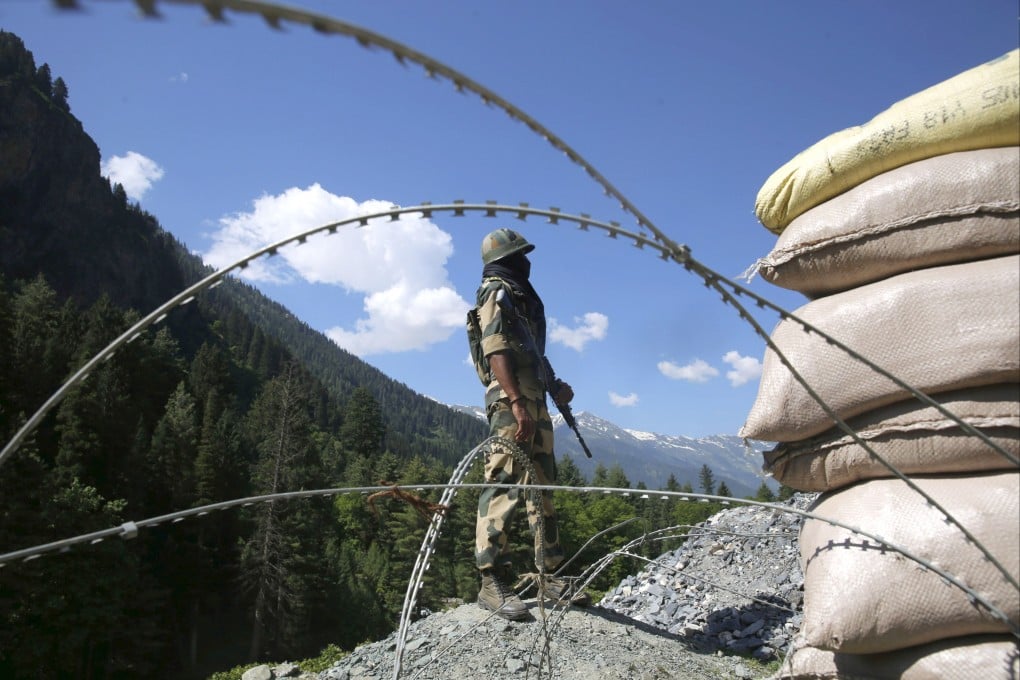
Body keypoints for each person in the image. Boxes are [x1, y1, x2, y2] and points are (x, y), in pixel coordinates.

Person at [469, 227, 590, 621]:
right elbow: (496, 349)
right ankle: (491, 578)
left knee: (542, 483)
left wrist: (553, 387)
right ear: (507, 259)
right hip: (511, 400)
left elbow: (530, 352)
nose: (528, 261)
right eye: (521, 254)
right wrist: (517, 402)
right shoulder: (496, 290)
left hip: (531, 395)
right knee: (504, 480)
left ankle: (549, 574)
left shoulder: (518, 295)